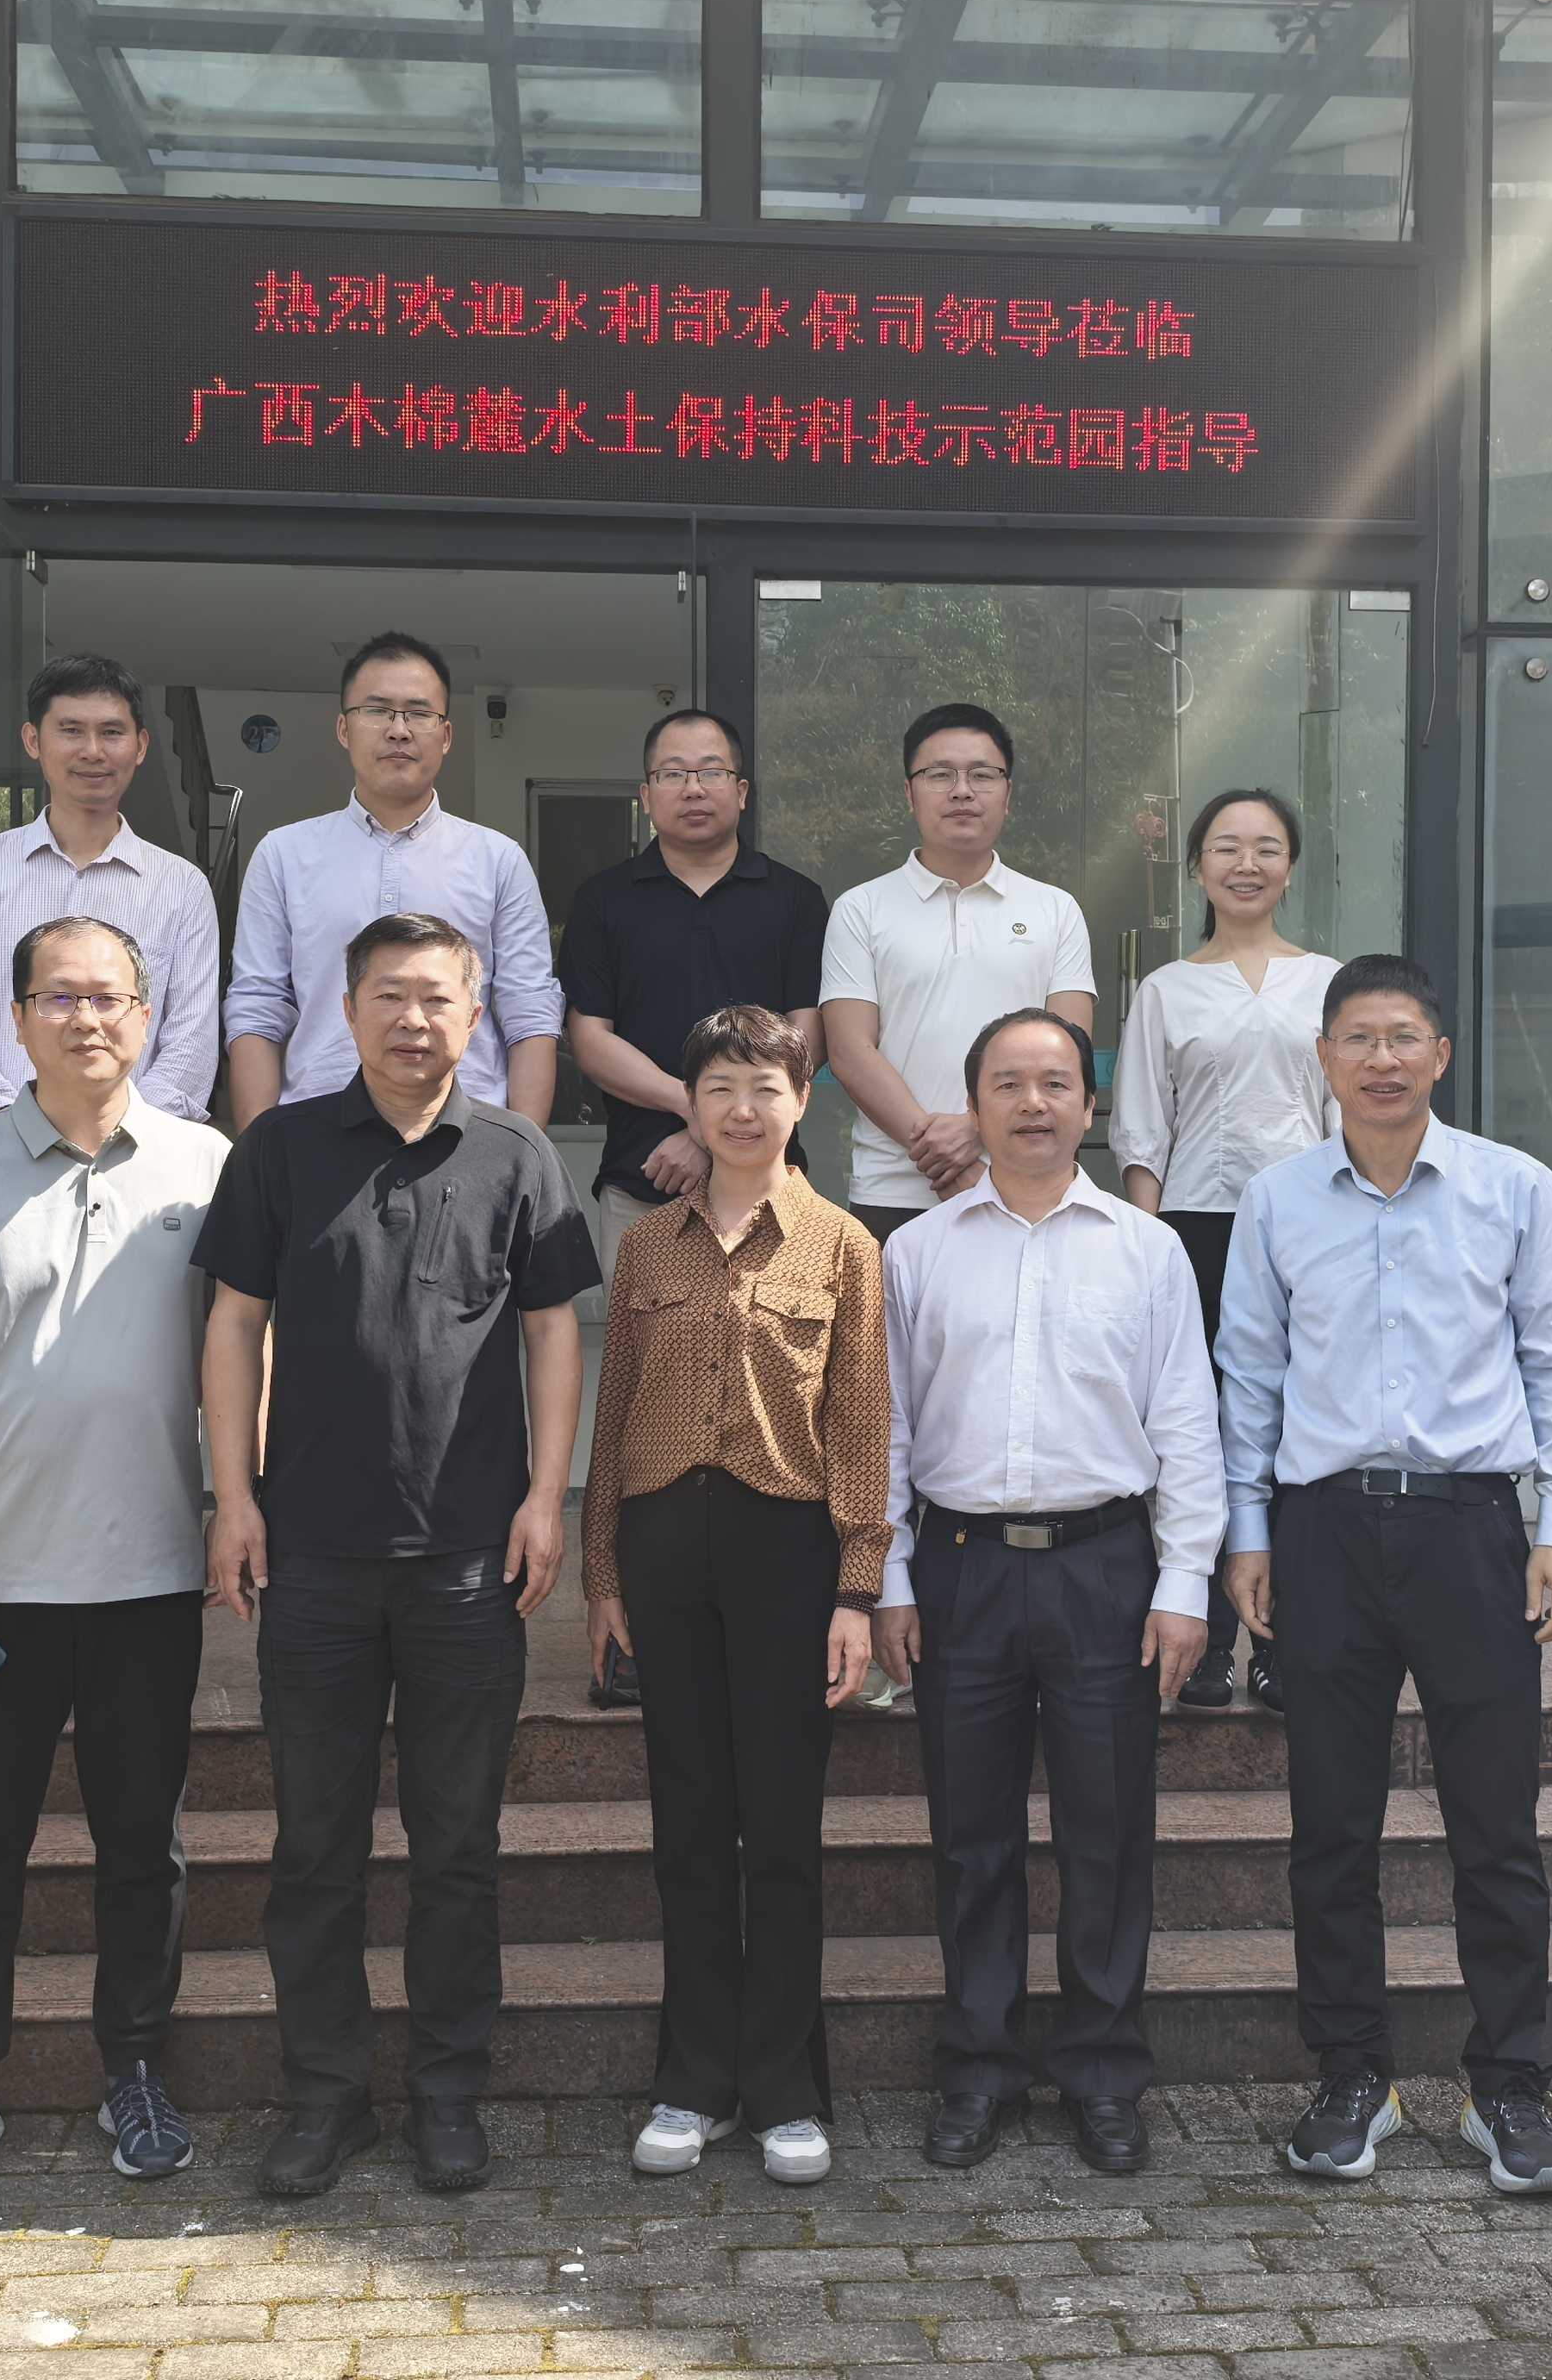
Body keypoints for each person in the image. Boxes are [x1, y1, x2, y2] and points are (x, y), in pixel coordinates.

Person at [200, 912, 600, 2202]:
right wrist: (233, 1497)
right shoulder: (281, 1149)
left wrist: (546, 1497)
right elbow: (233, 1325)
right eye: (389, 995)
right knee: (313, 1848)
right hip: (310, 1558)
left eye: (437, 998)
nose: (413, 1019)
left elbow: (552, 1333)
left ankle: (446, 2093)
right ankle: (325, 2098)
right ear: (348, 1008)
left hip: (468, 1561)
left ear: (474, 1016)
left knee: (456, 1846)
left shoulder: (516, 1153)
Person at [1217, 953, 1552, 2197]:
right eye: (1358, 1038)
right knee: (1330, 1829)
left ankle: (1510, 2088)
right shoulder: (1276, 1200)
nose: (1381, 1059)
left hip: (1471, 1534)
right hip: (1322, 1537)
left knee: (1497, 1830)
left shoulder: (1513, 1188)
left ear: (1440, 1054)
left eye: (1403, 1037)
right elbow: (1250, 1375)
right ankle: (1351, 2078)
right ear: (1323, 1059)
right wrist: (1248, 1532)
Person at [0, 914, 231, 2200]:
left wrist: (240, 1505)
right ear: (16, 1019)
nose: (86, 1018)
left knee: (145, 1847)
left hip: (150, 1577)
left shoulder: (207, 1166)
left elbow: (239, 1357)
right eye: (59, 997)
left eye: (109, 996)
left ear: (147, 1016)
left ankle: (134, 2069)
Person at [871, 1011, 1221, 2177]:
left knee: (1106, 1834)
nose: (1033, 1103)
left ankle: (1103, 2073)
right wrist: (889, 1578)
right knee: (970, 1836)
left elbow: (1187, 1422)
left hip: (1104, 1568)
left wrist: (1184, 1581)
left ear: (1088, 1104)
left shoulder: (1146, 1250)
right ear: (973, 1103)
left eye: (1056, 1083)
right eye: (1009, 1084)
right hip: (961, 1568)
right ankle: (977, 2068)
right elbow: (888, 1430)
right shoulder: (918, 1252)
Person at [582, 1007, 886, 2190]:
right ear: (691, 1104)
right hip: (666, 1547)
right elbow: (612, 1417)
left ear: (802, 1102)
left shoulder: (842, 1245)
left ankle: (786, 2088)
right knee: (690, 1825)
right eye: (720, 1087)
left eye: (766, 1088)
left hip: (785, 1551)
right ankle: (694, 2080)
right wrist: (603, 1574)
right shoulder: (647, 1247)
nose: (743, 1109)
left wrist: (856, 1586)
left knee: (784, 1830)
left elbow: (861, 1424)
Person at [558, 708, 828, 1711]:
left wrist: (718, 1132)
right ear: (646, 795)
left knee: (775, 1409)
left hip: (774, 1199)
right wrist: (695, 1111)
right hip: (645, 1187)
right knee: (637, 1408)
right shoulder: (605, 899)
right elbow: (588, 1037)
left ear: (742, 791)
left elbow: (805, 1035)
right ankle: (630, 1625)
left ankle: (770, 1620)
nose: (693, 786)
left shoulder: (792, 899)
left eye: (712, 770)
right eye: (672, 771)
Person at [1111, 791, 1338, 1716]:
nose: (1247, 864)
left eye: (1267, 848)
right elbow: (1141, 1133)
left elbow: (1344, 1119)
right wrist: (1148, 1255)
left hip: (1309, 1231)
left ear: (1291, 866)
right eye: (1226, 848)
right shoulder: (1165, 990)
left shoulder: (1329, 982)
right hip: (1195, 1232)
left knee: (1294, 1429)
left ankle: (1286, 1641)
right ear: (1198, 867)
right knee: (1197, 1433)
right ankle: (1202, 1636)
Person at [225, 632, 565, 1128]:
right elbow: (257, 1007)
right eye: (378, 710)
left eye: (419, 713)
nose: (399, 730)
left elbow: (529, 1011)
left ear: (446, 736)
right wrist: (261, 1148)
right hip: (316, 1129)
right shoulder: (283, 855)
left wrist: (522, 1152)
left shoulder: (498, 860)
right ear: (344, 728)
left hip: (468, 1134)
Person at [820, 704, 1096, 1244]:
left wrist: (974, 1130)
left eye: (982, 775)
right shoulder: (862, 909)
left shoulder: (1055, 910)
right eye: (940, 774)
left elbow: (1071, 1047)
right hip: (894, 1189)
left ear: (1007, 794)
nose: (962, 791)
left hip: (1026, 1186)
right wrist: (938, 1154)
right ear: (910, 793)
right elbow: (850, 1051)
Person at [0, 653, 223, 1125]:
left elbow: (191, 1039)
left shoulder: (182, 888)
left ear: (140, 746)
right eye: (71, 730)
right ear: (33, 740)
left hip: (139, 1153)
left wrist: (128, 1136)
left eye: (112, 732)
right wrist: (12, 1132)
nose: (93, 751)